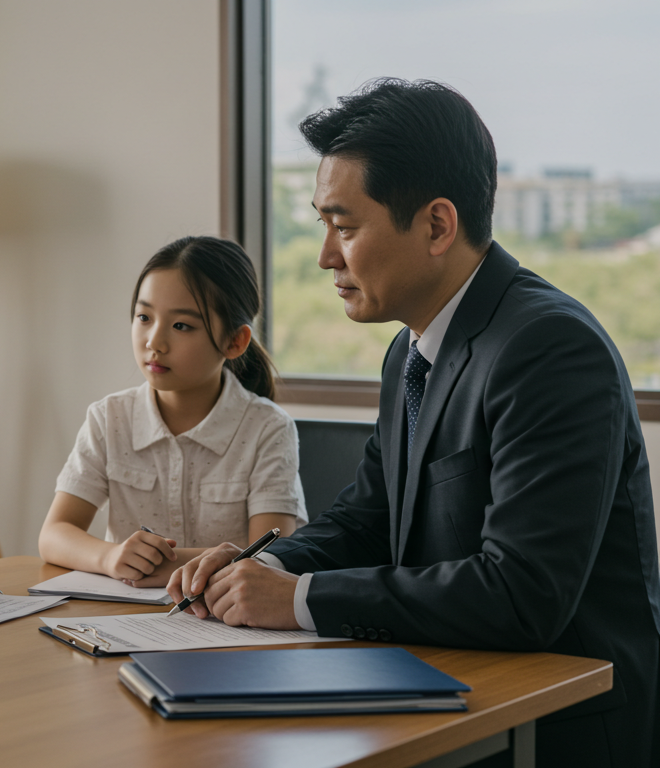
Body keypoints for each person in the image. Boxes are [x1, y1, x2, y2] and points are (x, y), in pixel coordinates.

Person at [167, 79, 659, 767]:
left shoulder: (549, 348)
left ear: (436, 225)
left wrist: (298, 599)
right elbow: (367, 520)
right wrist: (261, 566)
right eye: (323, 227)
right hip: (447, 693)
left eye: (345, 226)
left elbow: (522, 594)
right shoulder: (410, 350)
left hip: (557, 726)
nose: (325, 257)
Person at [38, 236, 306, 586]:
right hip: (123, 621)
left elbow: (270, 554)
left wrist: (161, 563)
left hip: (228, 624)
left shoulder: (268, 428)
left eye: (181, 326)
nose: (154, 341)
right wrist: (110, 556)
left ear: (235, 341)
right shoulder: (109, 418)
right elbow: (54, 534)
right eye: (144, 317)